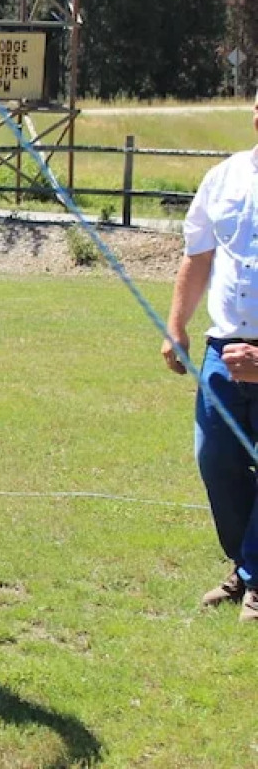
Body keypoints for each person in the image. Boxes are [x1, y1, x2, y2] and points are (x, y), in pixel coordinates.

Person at [161, 98, 258, 624]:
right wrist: (177, 327)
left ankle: (256, 575)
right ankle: (246, 566)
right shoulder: (223, 178)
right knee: (216, 461)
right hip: (223, 352)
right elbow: (198, 256)